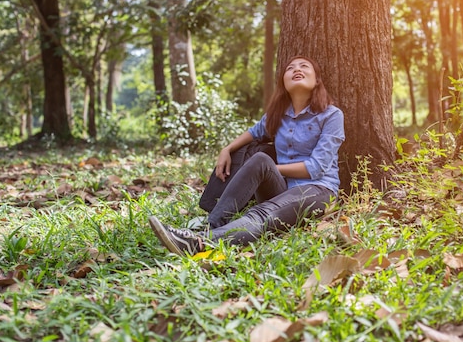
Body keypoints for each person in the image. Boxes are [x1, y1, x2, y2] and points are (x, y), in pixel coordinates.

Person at [148, 55, 345, 255]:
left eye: (304, 66)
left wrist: (274, 169)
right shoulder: (278, 115)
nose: (296, 69)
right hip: (283, 189)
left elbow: (316, 167)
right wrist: (226, 149)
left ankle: (199, 243)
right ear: (284, 81)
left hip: (318, 190)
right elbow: (254, 132)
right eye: (290, 68)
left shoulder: (331, 115)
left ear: (317, 80)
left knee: (262, 213)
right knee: (260, 160)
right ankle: (211, 226)